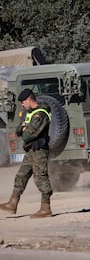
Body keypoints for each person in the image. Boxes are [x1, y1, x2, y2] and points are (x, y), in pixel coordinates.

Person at [0, 88, 53, 218]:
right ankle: (13, 204)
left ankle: (46, 208)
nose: (22, 105)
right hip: (31, 150)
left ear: (29, 100)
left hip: (39, 150)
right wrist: (24, 128)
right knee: (21, 175)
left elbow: (27, 136)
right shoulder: (31, 113)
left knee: (41, 177)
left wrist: (25, 129)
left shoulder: (40, 114)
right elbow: (19, 130)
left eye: (23, 102)